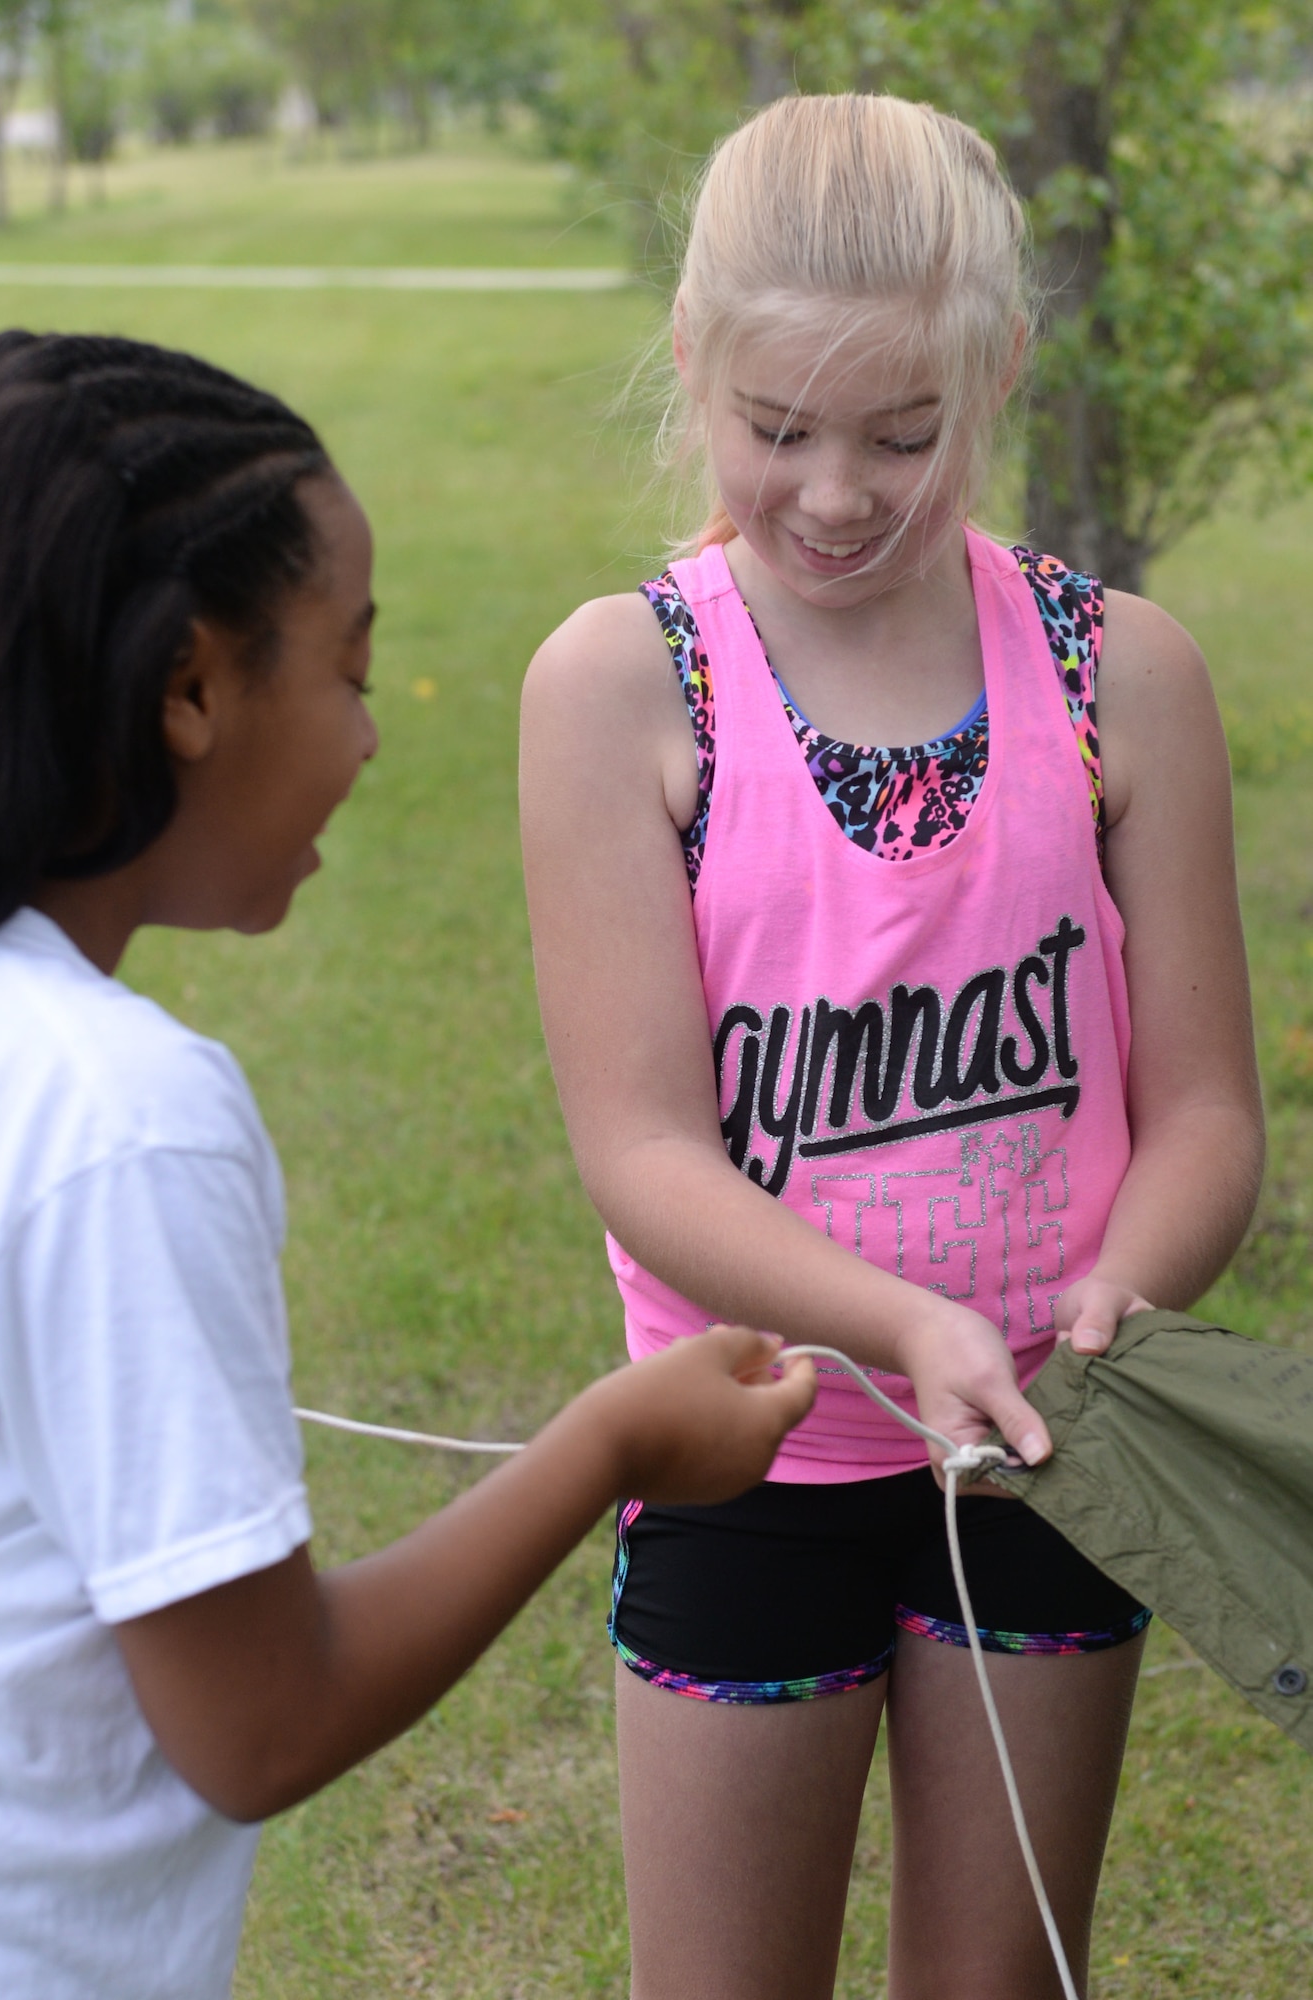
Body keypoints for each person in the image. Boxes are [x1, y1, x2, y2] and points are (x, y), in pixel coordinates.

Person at [520, 93, 1264, 2000]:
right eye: (776, 432)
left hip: (1041, 1456)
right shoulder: (624, 686)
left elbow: (1202, 1114)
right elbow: (645, 1152)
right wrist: (893, 1322)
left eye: (904, 437)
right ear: (692, 365)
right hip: (748, 1456)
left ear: (998, 375)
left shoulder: (1121, 674)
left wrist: (1110, 1300)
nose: (838, 492)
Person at [0, 329, 818, 2000]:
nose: (369, 737)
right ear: (195, 688)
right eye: (347, 670)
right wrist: (613, 1443)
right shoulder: (112, 1118)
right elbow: (260, 1723)